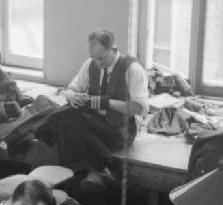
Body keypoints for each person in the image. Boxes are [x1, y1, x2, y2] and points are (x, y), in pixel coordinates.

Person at [38, 29, 149, 194]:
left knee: (68, 125)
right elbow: (70, 89)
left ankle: (85, 174)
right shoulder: (91, 64)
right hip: (95, 127)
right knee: (68, 119)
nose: (98, 63)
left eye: (102, 58)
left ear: (114, 49)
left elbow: (140, 108)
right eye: (95, 59)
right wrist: (73, 96)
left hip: (120, 130)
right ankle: (99, 169)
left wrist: (106, 103)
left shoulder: (132, 69)